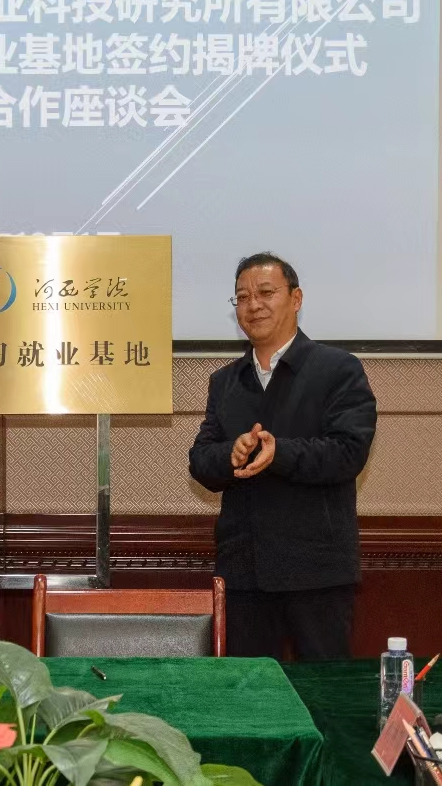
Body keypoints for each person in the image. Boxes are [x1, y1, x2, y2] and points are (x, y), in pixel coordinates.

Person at [188, 252, 377, 659]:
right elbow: (200, 461)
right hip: (244, 573)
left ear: (296, 298)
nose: (253, 305)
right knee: (249, 692)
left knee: (324, 690)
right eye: (242, 297)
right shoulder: (225, 382)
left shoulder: (338, 370)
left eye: (265, 292)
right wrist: (231, 454)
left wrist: (280, 453)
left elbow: (349, 452)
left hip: (317, 573)